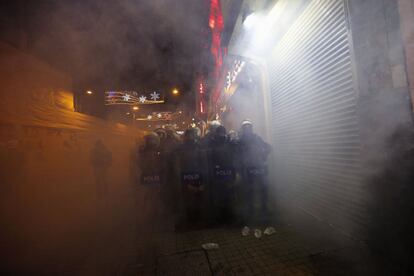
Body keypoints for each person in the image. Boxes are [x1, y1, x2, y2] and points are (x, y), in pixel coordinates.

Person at [172, 128, 208, 229]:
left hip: (197, 179)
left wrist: (203, 182)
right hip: (186, 179)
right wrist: (183, 183)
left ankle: (197, 221)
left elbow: (204, 164)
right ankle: (188, 222)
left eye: (192, 135)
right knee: (186, 202)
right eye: (189, 135)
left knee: (197, 201)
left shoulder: (199, 147)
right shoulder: (180, 149)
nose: (190, 137)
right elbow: (177, 167)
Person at [238, 119, 271, 223]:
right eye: (245, 128)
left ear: (251, 128)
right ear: (243, 129)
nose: (247, 130)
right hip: (247, 170)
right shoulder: (240, 141)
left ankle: (263, 213)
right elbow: (235, 155)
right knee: (249, 193)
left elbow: (268, 147)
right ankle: (250, 214)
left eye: (249, 128)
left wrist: (263, 156)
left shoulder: (256, 138)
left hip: (257, 168)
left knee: (262, 191)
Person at [207, 125, 237, 224]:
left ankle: (228, 215)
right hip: (218, 171)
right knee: (219, 194)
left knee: (228, 193)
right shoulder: (213, 143)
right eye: (220, 133)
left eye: (222, 133)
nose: (221, 135)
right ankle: (221, 216)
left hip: (227, 171)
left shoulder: (229, 142)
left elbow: (234, 156)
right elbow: (210, 157)